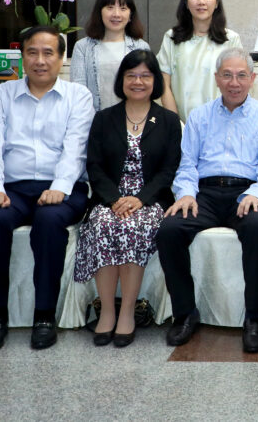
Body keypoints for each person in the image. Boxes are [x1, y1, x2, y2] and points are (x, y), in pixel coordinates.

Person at [0, 26, 95, 352]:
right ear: (22, 56)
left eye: (48, 53)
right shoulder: (1, 95)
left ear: (61, 58)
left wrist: (60, 187)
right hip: (12, 188)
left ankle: (44, 316)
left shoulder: (77, 97)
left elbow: (76, 149)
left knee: (50, 220)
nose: (40, 60)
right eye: (32, 52)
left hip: (63, 188)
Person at [155, 47, 258, 352]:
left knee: (256, 227)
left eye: (241, 75)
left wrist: (255, 194)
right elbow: (186, 164)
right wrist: (185, 193)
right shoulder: (199, 116)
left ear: (252, 79)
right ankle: (185, 313)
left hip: (248, 192)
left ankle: (253, 318)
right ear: (216, 78)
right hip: (205, 194)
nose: (234, 82)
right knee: (169, 230)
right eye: (227, 75)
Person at [74, 50, 181, 347]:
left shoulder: (169, 121)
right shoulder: (104, 118)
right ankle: (107, 311)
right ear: (122, 80)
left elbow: (169, 169)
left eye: (145, 75)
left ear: (155, 80)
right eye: (131, 75)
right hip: (110, 198)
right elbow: (94, 166)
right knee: (103, 224)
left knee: (135, 226)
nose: (138, 81)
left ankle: (127, 313)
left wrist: (140, 199)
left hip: (151, 200)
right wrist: (114, 199)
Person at [158, 0, 242, 121]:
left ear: (216, 2)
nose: (201, 2)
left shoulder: (231, 40)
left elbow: (238, 85)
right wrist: (176, 124)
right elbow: (164, 83)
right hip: (181, 124)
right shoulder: (171, 37)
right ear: (186, 2)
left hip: (222, 124)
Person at [69, 0, 151, 111]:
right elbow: (78, 92)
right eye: (110, 7)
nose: (116, 14)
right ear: (100, 12)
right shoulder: (83, 47)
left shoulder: (141, 47)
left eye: (123, 8)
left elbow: (146, 90)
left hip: (130, 119)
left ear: (130, 15)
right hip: (93, 120)